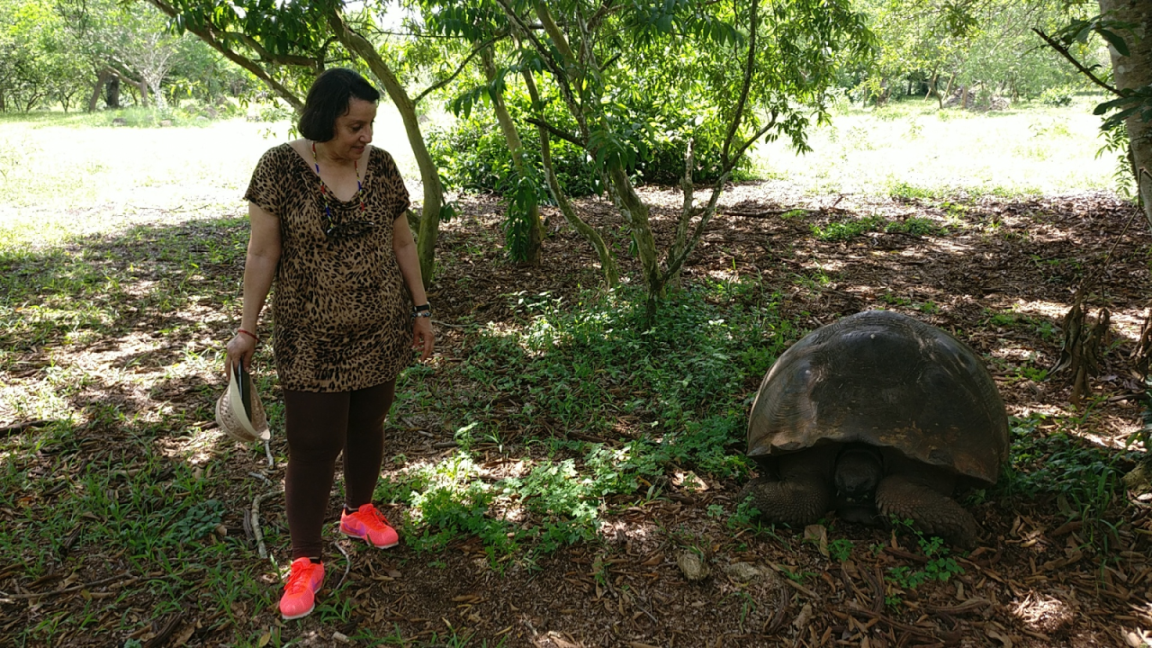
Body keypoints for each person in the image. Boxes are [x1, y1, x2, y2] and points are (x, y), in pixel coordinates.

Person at [224, 68, 434, 621]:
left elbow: (403, 240)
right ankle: (305, 560)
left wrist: (421, 308)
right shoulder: (280, 168)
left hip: (379, 329)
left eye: (369, 124)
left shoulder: (381, 166)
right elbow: (262, 254)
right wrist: (247, 327)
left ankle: (358, 511)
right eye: (353, 125)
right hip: (309, 337)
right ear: (323, 120)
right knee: (314, 445)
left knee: (369, 422)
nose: (364, 136)